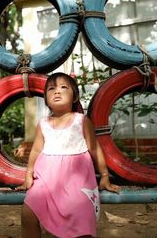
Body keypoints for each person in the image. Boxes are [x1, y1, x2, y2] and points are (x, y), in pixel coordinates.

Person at [16, 72, 120, 238]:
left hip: (77, 180)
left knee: (82, 216)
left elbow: (95, 148)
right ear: (46, 98)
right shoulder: (43, 124)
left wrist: (105, 176)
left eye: (64, 87)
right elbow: (36, 150)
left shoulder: (81, 120)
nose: (57, 91)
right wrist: (28, 175)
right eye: (51, 88)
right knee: (28, 213)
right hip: (46, 180)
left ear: (74, 98)